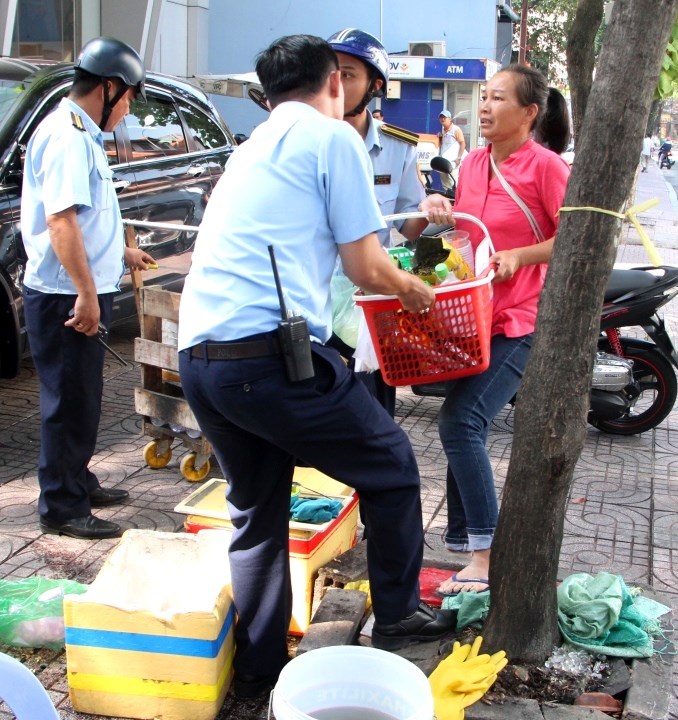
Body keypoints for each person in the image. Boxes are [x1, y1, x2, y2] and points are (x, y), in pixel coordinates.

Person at [176, 34, 454, 698]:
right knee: (391, 468)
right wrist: (413, 289)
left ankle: (259, 672)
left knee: (257, 511)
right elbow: (365, 265)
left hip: (201, 361)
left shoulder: (251, 149)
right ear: (334, 82)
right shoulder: (334, 140)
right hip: (267, 363)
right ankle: (396, 616)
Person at [419, 64, 571, 596]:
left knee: (460, 423)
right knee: (462, 425)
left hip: (520, 320)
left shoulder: (547, 167)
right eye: (483, 97)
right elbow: (466, 233)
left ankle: (487, 556)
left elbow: (578, 237)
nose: (484, 107)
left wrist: (519, 258)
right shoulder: (475, 161)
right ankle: (468, 548)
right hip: (473, 319)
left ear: (529, 112)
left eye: (498, 98)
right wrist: (438, 210)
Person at [19, 37, 154, 540]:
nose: (128, 111)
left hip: (77, 288)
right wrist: (87, 293)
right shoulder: (67, 136)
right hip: (64, 295)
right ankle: (61, 505)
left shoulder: (81, 135)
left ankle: (77, 480)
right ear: (110, 87)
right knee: (67, 403)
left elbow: (88, 217)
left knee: (83, 398)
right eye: (130, 99)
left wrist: (121, 253)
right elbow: (60, 222)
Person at [326, 27, 428, 414]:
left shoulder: (398, 147)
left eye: (348, 74)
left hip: (372, 307)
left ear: (376, 85)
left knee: (375, 416)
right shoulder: (309, 142)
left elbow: (409, 227)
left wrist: (428, 204)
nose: (335, 83)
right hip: (312, 306)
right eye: (330, 72)